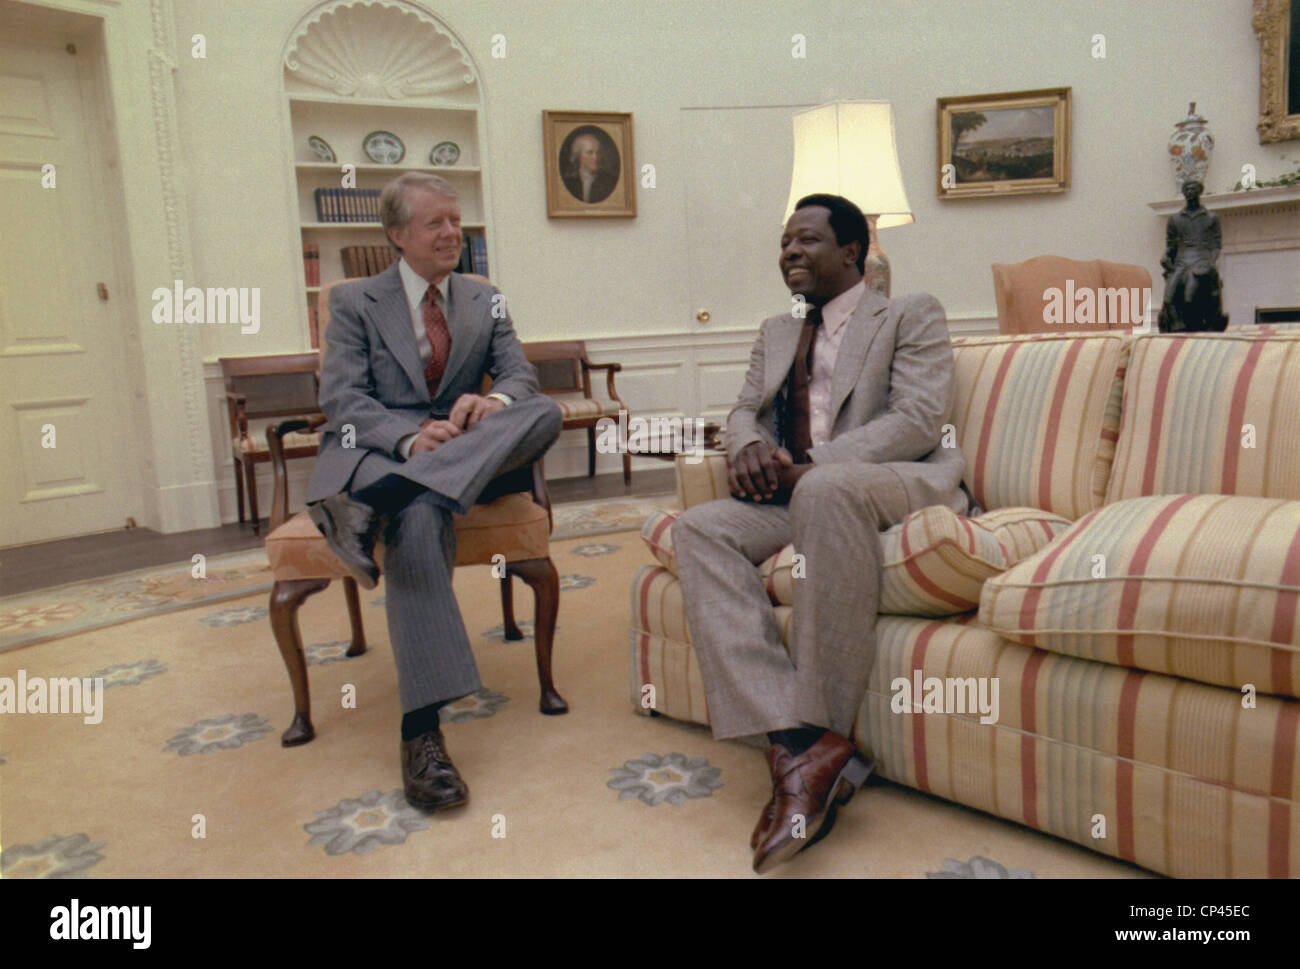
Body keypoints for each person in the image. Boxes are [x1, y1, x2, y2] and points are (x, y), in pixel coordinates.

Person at [672, 193, 972, 873]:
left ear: (852, 252)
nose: (790, 252)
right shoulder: (777, 330)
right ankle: (803, 740)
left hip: (888, 479)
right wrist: (746, 446)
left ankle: (813, 745)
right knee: (697, 528)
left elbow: (920, 419)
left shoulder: (907, 313)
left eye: (806, 240)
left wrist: (812, 468)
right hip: (799, 494)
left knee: (828, 486)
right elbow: (745, 407)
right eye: (784, 242)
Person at [305, 172, 562, 812]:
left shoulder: (484, 296)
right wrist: (410, 440)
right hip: (388, 449)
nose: (453, 234)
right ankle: (421, 733)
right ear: (397, 235)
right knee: (420, 521)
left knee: (544, 413)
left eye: (457, 221)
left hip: (470, 448)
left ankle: (375, 506)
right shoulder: (353, 301)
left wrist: (491, 400)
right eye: (435, 224)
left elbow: (520, 376)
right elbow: (342, 401)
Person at [1157, 178, 1228, 332]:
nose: (1190, 192)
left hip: (1201, 258)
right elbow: (1171, 245)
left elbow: (1216, 245)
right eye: (1187, 190)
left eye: (1193, 189)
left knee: (1190, 292)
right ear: (1183, 193)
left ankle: (1192, 322)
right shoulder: (1175, 219)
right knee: (1169, 295)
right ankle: (1176, 325)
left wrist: (1210, 261)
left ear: (1199, 192)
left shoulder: (1210, 218)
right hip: (1182, 260)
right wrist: (1166, 257)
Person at [561, 131, 618, 204]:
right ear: (578, 156)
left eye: (598, 153)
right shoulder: (568, 181)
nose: (596, 157)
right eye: (590, 153)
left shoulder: (610, 181)